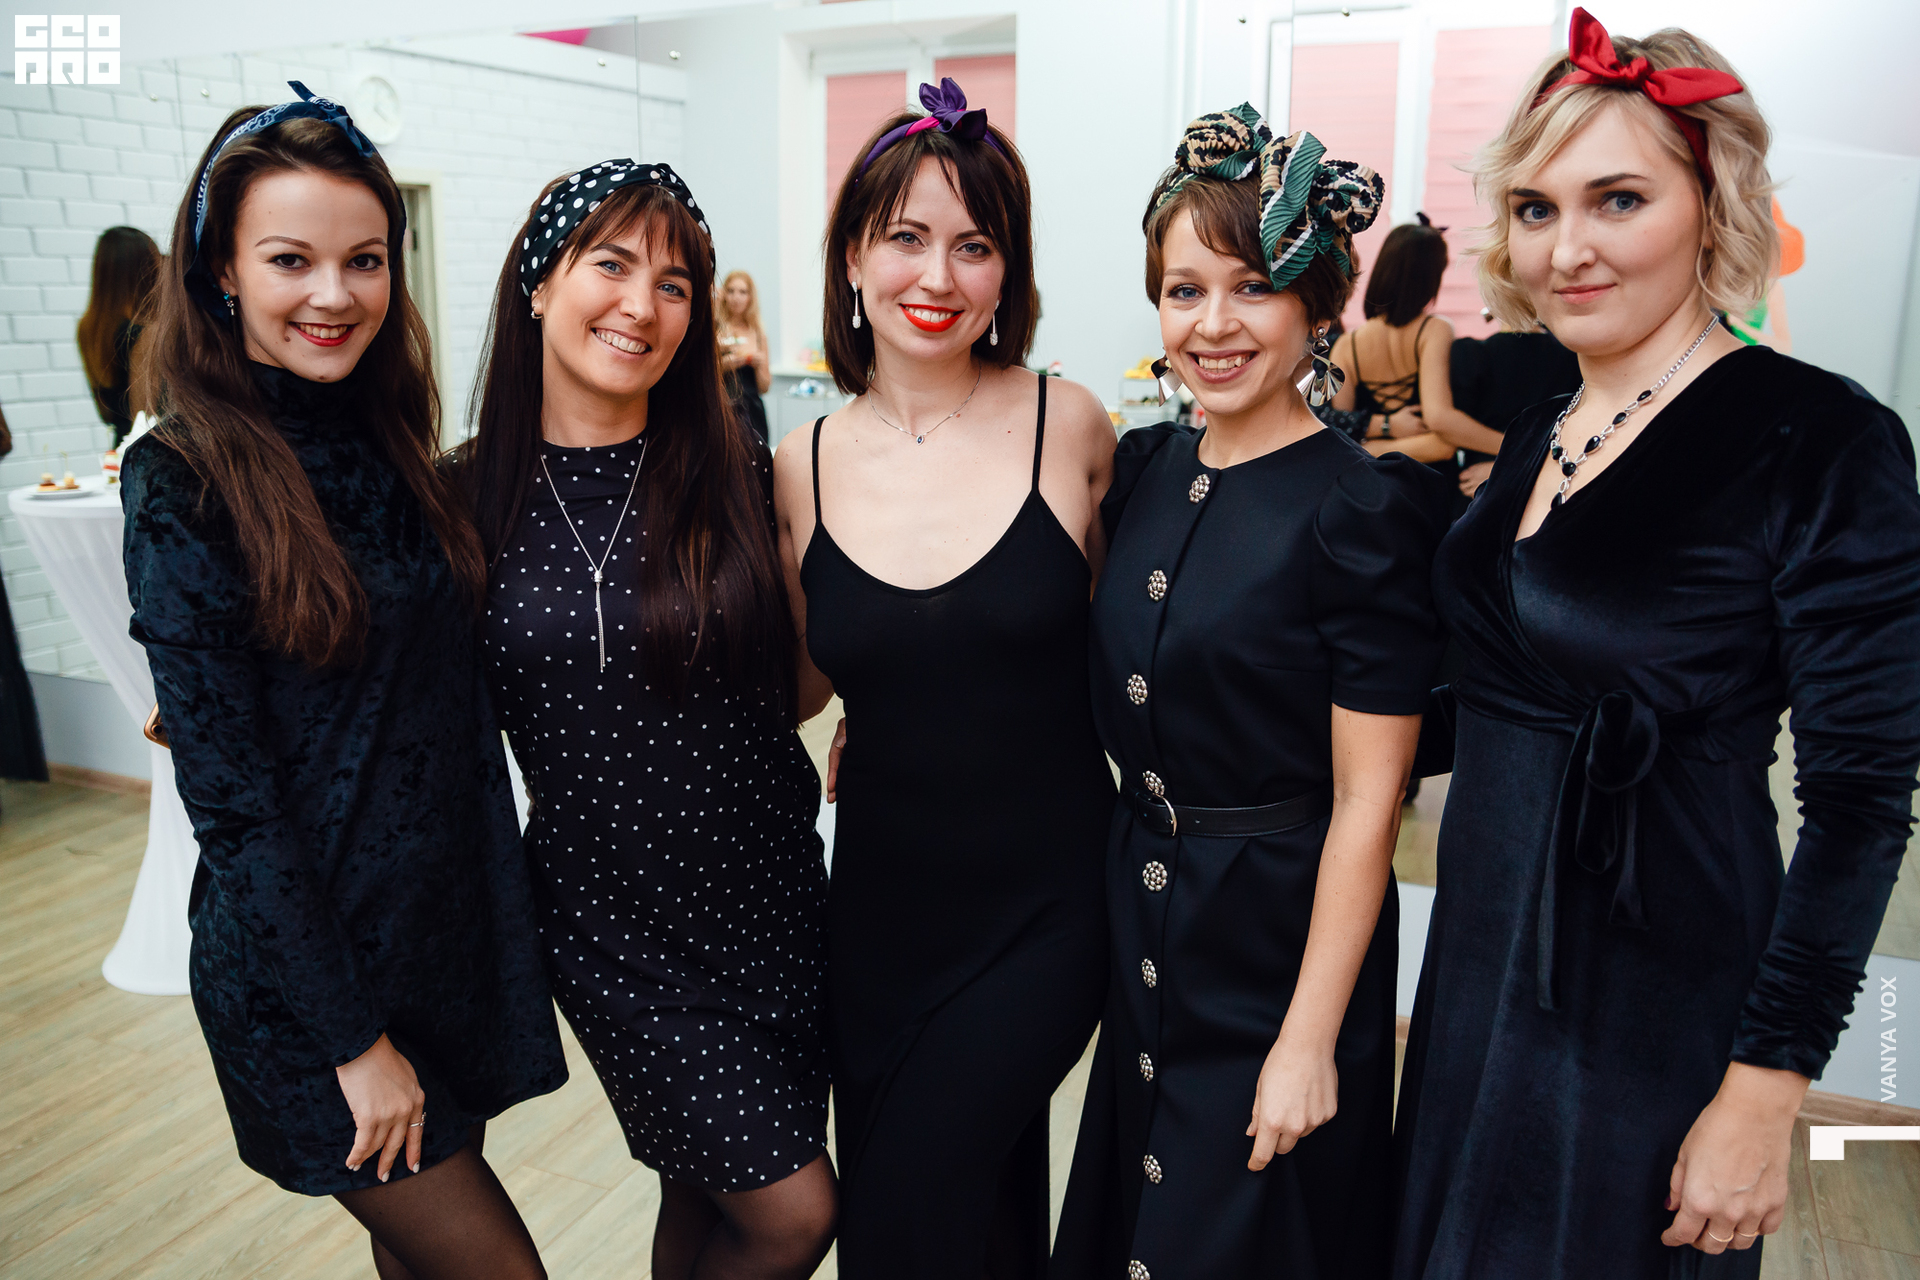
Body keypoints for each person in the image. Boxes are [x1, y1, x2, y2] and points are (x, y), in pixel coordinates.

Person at [1393, 11, 1920, 1277]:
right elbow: (1495, 692)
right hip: (1479, 954)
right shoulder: (1545, 420)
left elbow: (1858, 804)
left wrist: (1766, 1088)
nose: (1566, 248)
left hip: (1653, 985)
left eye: (1617, 199)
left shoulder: (1819, 440)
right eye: (1536, 208)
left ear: (1710, 204)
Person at [122, 84, 566, 1280]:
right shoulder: (182, 474)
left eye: (364, 260)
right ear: (222, 269)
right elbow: (238, 808)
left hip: (438, 937)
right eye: (291, 260)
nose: (334, 293)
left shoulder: (387, 433)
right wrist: (354, 1041)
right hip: (312, 986)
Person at [1051, 105, 1446, 1280]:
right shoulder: (1145, 470)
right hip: (1147, 914)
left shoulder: (1359, 509)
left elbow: (1369, 803)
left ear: (1319, 307)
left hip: (1277, 939)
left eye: (1252, 288)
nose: (1212, 325)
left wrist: (1312, 1037)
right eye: (1184, 291)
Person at [461, 161, 835, 1280]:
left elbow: (800, 687)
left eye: (675, 284)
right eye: (612, 265)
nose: (642, 305)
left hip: (772, 899)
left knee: (703, 1192)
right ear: (539, 281)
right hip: (612, 923)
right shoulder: (458, 499)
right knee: (794, 1213)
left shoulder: (739, 473)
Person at [772, 77, 1116, 1279]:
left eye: (974, 245)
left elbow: (1138, 650)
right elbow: (805, 688)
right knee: (976, 1222)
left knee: (901, 1223)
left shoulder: (1071, 425)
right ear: (853, 257)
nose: (938, 275)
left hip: (1046, 911)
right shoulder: (800, 463)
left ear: (1008, 272)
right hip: (876, 918)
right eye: (906, 237)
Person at [1327, 215, 1503, 476]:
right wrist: (1515, 446)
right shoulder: (1435, 329)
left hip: (1374, 484)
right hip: (1429, 483)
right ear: (1430, 278)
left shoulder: (1345, 346)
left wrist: (1373, 448)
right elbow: (1439, 419)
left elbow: (1344, 441)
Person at [1447, 322, 1580, 503]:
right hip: (1552, 485)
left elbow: (1447, 426)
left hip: (1481, 492)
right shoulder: (1574, 356)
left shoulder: (1471, 354)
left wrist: (1508, 467)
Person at [77, 225, 161, 447]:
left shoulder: (89, 329)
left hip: (121, 447)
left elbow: (105, 413)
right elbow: (147, 419)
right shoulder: (145, 333)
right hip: (148, 451)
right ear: (147, 269)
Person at [718, 269, 772, 442]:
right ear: (724, 295)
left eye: (742, 292)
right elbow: (705, 375)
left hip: (753, 410)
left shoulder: (758, 333)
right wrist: (727, 364)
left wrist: (758, 365)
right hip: (724, 409)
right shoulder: (716, 329)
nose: (736, 298)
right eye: (731, 291)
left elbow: (764, 387)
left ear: (750, 297)